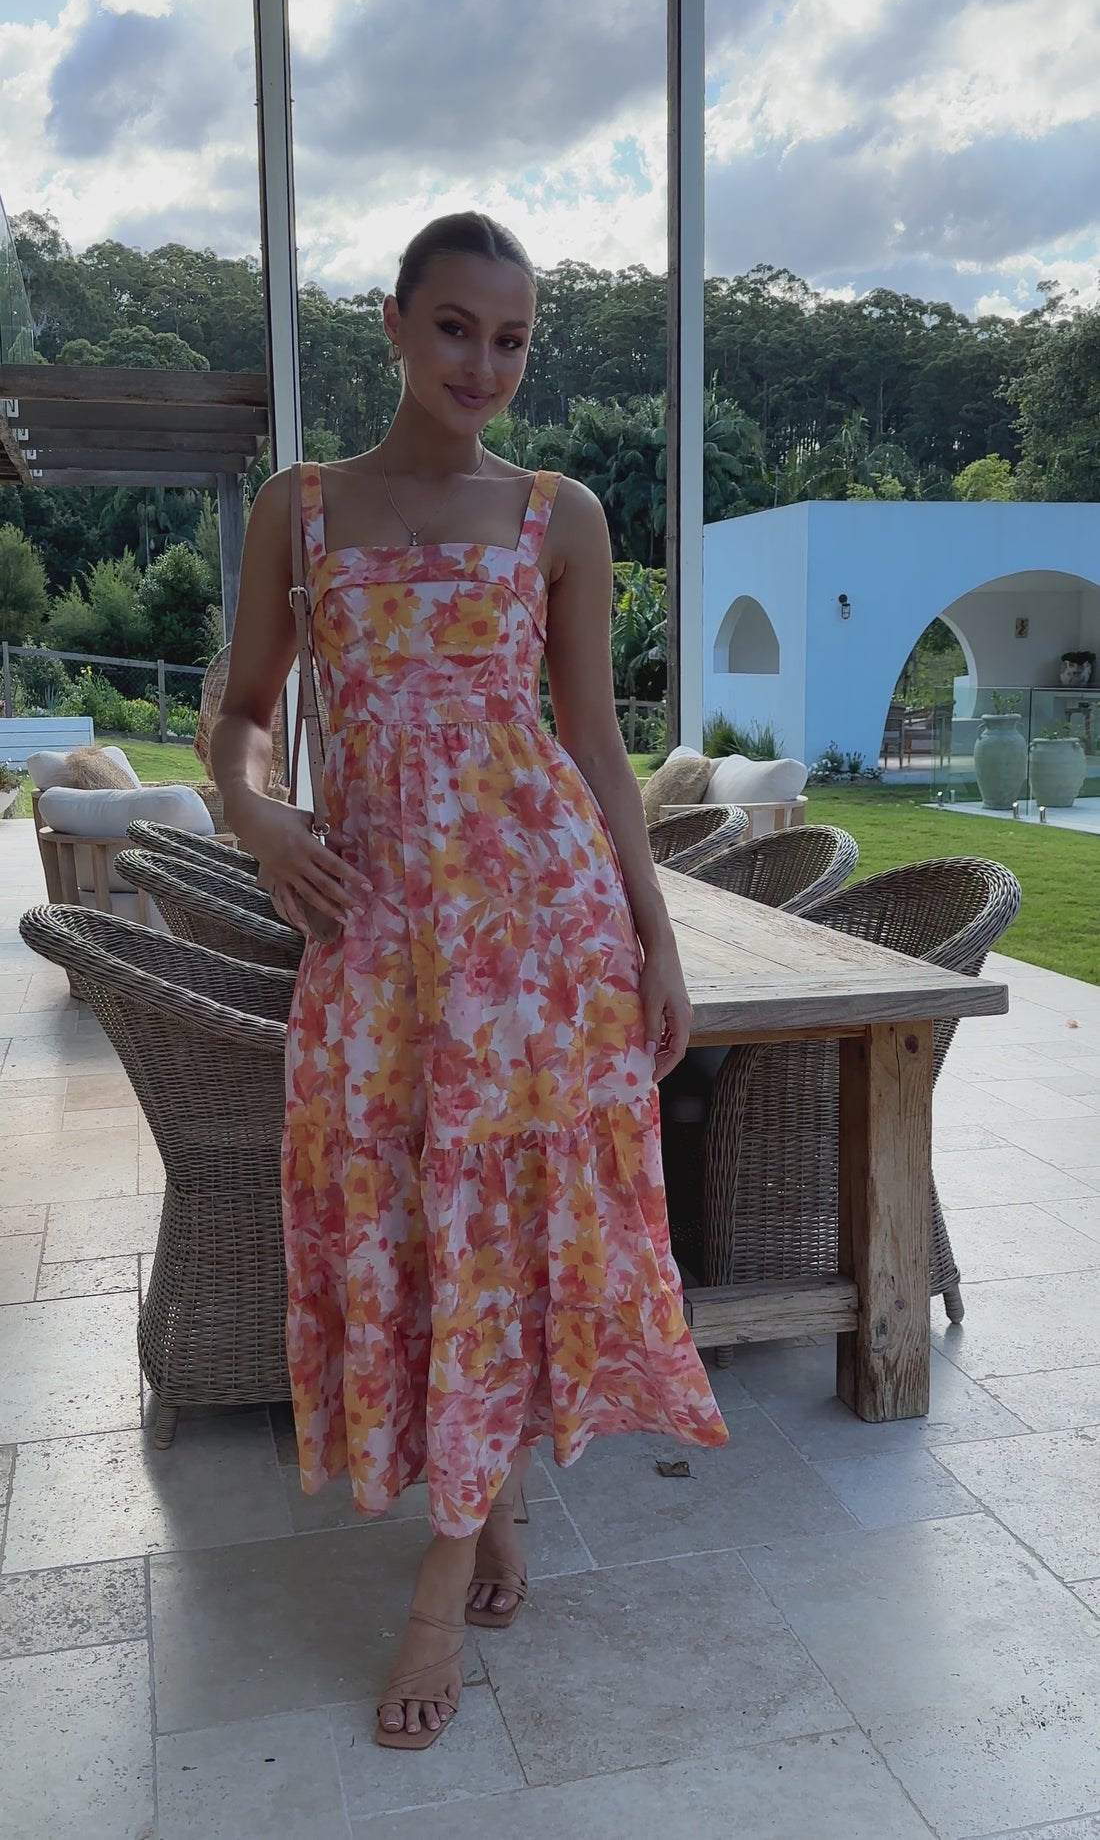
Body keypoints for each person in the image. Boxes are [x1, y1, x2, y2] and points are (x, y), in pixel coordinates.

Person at [211, 211, 728, 1753]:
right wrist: (256, 813)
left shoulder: (559, 516)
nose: (482, 364)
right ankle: (480, 1495)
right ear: (391, 323)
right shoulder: (299, 509)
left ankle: (441, 1582)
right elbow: (242, 712)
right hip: (373, 928)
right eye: (454, 327)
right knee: (403, 1214)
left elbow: (594, 742)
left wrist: (655, 928)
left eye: (511, 339)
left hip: (542, 939)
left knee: (503, 1221)